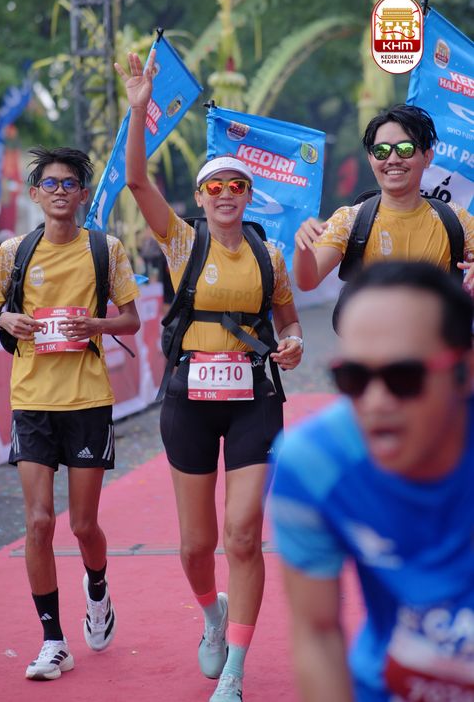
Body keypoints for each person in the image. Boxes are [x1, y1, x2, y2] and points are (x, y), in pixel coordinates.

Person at [115, 51, 303, 702]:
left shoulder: (269, 254)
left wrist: (293, 343)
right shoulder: (181, 241)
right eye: (214, 187)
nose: (225, 195)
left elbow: (287, 320)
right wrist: (140, 108)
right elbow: (136, 182)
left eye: (236, 187)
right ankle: (211, 615)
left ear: (249, 197)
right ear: (200, 198)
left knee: (243, 534)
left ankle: (235, 670)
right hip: (189, 399)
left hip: (254, 398)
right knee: (196, 545)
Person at [270, 260, 474, 702]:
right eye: (354, 379)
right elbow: (317, 632)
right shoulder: (313, 463)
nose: (377, 401)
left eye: (404, 377)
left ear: (465, 371)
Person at [0, 147, 140, 681]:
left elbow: (132, 320)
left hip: (88, 401)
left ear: (83, 194)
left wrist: (96, 326)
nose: (60, 192)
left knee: (84, 524)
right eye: (50, 184)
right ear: (35, 194)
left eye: (70, 184)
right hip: (31, 401)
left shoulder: (105, 249)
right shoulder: (13, 252)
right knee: (39, 521)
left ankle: (98, 590)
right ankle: (53, 640)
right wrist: (7, 321)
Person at [293, 104, 474, 295]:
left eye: (405, 149)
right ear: (371, 159)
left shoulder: (456, 220)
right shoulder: (349, 220)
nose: (393, 159)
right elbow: (308, 281)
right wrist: (303, 248)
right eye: (382, 151)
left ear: (427, 157)